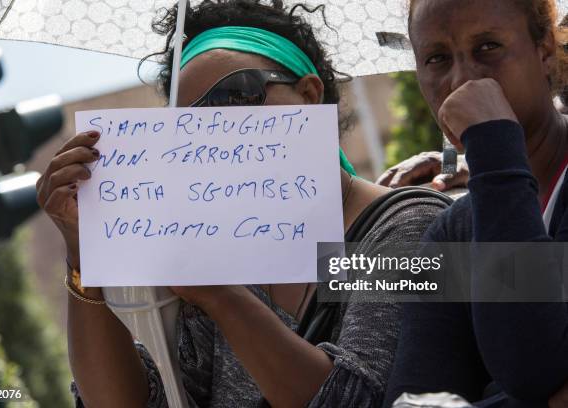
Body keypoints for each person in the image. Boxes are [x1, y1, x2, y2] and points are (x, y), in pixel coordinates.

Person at [35, 1, 451, 407]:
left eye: (235, 97)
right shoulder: (227, 262)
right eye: (190, 124)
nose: (216, 131)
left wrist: (221, 296)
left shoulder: (405, 226)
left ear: (308, 94)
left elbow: (356, 398)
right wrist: (83, 258)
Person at [383, 1, 568, 407]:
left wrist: (494, 147)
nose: (462, 79)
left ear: (545, 49)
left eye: (488, 47)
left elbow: (530, 363)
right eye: (436, 58)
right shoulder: (454, 231)